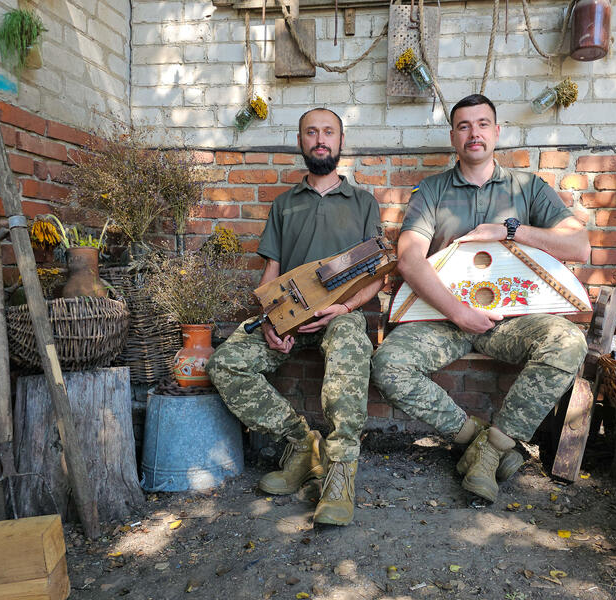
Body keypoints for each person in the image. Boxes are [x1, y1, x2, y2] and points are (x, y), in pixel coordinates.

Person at [371, 94, 590, 503]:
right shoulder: (431, 191)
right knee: (388, 364)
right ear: (453, 137)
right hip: (442, 318)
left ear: (497, 132)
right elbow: (408, 258)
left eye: (483, 124)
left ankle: (495, 450)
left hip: (512, 320)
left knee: (568, 342)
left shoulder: (528, 187)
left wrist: (508, 230)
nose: (474, 133)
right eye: (464, 126)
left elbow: (579, 245)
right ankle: (473, 440)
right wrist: (457, 312)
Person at [207, 108, 383, 526]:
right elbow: (272, 272)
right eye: (311, 133)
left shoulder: (363, 202)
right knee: (226, 363)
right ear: (301, 142)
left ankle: (340, 472)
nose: (320, 139)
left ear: (341, 141)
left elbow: (377, 278)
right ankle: (302, 445)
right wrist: (271, 320)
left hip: (338, 315)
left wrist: (343, 308)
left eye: (328, 132)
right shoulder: (284, 204)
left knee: (350, 341)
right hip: (288, 315)